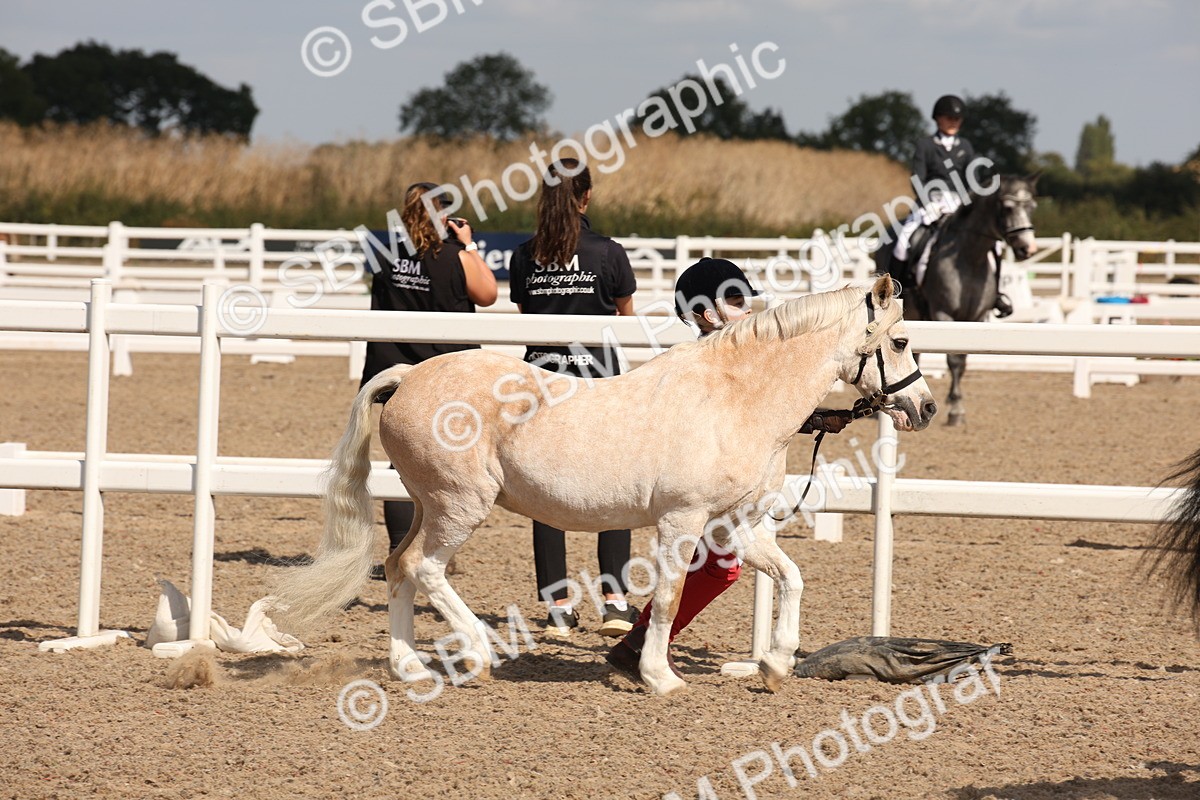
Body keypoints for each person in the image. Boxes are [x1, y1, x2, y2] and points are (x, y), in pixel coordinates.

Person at [605, 257, 853, 680]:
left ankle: (639, 643)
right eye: (737, 301)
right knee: (722, 566)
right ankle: (642, 644)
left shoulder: (744, 359)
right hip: (696, 487)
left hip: (720, 488)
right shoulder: (696, 364)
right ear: (707, 313)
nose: (749, 309)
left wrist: (812, 418)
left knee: (724, 567)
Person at [507, 158, 641, 638]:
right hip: (598, 381)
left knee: (544, 494)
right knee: (616, 487)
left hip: (541, 382)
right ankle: (616, 601)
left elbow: (524, 311)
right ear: (586, 198)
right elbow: (626, 316)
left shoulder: (523, 256)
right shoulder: (609, 253)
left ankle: (558, 608)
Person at [361, 181, 498, 579]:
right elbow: (487, 294)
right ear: (444, 215)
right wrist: (468, 244)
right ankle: (437, 543)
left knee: (401, 464)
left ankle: (400, 543)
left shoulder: (385, 254)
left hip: (394, 372)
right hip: (446, 375)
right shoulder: (454, 255)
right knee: (449, 464)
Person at [891, 94, 1013, 317]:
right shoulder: (926, 145)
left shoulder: (965, 146)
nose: (954, 122)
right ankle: (894, 294)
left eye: (957, 119)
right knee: (904, 240)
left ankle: (995, 294)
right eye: (949, 118)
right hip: (931, 202)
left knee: (994, 245)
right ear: (938, 119)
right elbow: (918, 178)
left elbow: (972, 179)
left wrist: (970, 204)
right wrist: (929, 203)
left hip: (959, 203)